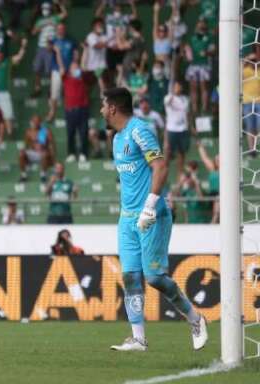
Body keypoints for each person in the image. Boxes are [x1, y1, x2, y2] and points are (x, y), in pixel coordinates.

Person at [101, 87, 207, 352]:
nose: (101, 110)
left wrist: (149, 206)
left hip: (151, 214)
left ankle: (195, 318)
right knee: (129, 276)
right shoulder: (116, 138)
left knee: (154, 278)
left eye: (104, 106)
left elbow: (161, 166)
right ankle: (138, 338)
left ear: (113, 108)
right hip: (127, 219)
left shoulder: (140, 130)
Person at [58, 54, 91, 163]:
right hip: (70, 110)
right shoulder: (66, 78)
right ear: (70, 70)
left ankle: (83, 153)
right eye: (73, 67)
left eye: (77, 67)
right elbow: (61, 66)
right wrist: (58, 52)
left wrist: (84, 53)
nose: (75, 69)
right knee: (70, 133)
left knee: (83, 133)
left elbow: (84, 66)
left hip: (82, 109)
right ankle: (71, 153)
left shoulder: (83, 79)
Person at [184, 20, 215, 114]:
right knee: (193, 87)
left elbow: (213, 50)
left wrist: (206, 53)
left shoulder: (210, 37)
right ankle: (194, 109)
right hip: (193, 65)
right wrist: (187, 53)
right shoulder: (191, 37)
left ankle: (204, 108)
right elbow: (186, 48)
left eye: (202, 24)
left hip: (205, 65)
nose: (200, 25)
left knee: (203, 87)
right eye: (199, 24)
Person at [164, 81, 192, 178]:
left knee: (181, 153)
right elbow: (168, 102)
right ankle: (164, 171)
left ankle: (179, 173)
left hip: (183, 129)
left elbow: (187, 114)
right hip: (171, 129)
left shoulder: (185, 99)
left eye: (179, 86)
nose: (178, 88)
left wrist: (190, 127)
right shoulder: (168, 97)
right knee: (168, 152)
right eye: (176, 86)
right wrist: (172, 92)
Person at [19, 115, 55, 183]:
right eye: (34, 121)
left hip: (43, 153)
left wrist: (52, 157)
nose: (35, 123)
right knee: (21, 153)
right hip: (33, 153)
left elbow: (52, 145)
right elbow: (26, 145)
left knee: (45, 154)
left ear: (40, 122)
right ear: (31, 122)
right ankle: (23, 175)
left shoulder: (46, 131)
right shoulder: (28, 132)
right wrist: (24, 152)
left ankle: (43, 175)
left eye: (37, 121)